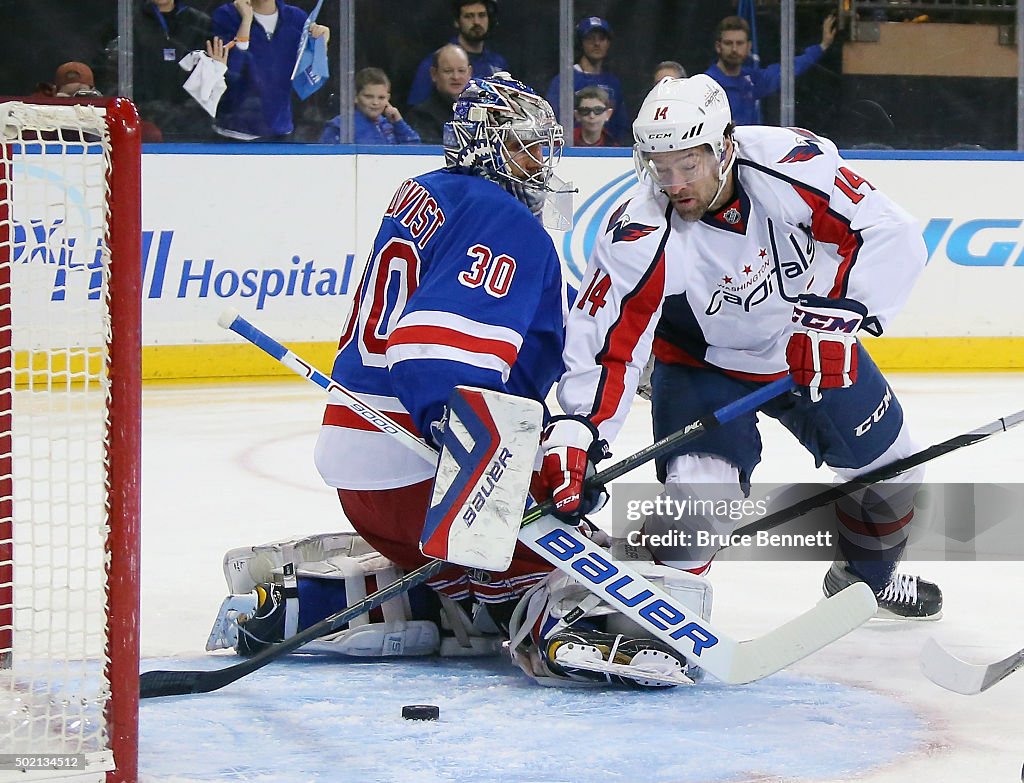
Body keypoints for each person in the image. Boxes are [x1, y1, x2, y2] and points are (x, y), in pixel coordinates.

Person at [210, 73, 705, 689]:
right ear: (487, 144)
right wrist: (492, 457)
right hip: (424, 474)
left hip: (362, 474)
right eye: (527, 145)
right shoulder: (506, 221)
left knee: (473, 583)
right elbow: (433, 353)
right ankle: (573, 621)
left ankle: (319, 601)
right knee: (570, 547)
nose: (540, 162)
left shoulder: (427, 193)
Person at [532, 74, 943, 623]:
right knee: (696, 508)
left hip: (805, 348)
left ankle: (863, 580)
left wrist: (841, 318)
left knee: (896, 473)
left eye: (688, 165)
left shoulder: (791, 165)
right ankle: (656, 607)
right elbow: (611, 341)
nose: (673, 183)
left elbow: (886, 231)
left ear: (724, 146)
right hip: (703, 367)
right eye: (661, 166)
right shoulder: (638, 231)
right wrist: (582, 427)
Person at [100, 0, 221, 142]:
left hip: (190, 127)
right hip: (143, 121)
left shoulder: (200, 23)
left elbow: (212, 80)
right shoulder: (126, 20)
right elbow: (108, 69)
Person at [211, 0, 330, 141]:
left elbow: (308, 77)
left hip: (281, 130)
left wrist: (321, 46)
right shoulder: (227, 15)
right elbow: (228, 73)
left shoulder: (297, 18)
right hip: (233, 131)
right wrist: (246, 22)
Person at [706, 13, 836, 126]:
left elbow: (790, 69)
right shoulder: (706, 85)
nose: (734, 49)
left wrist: (822, 46)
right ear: (718, 46)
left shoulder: (754, 80)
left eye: (739, 43)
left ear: (748, 46)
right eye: (728, 43)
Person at [406, 1, 507, 107]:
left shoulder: (498, 63)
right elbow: (417, 110)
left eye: (482, 15)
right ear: (457, 21)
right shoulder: (436, 61)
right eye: (469, 16)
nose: (476, 22)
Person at [545, 16, 628, 145]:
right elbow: (552, 122)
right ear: (580, 43)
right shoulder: (565, 80)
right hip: (572, 152)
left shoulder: (613, 83)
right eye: (590, 38)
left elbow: (621, 126)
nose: (597, 44)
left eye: (602, 38)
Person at [319, 67, 420, 144]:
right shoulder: (340, 126)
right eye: (369, 97)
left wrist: (398, 123)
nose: (375, 103)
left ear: (388, 99)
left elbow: (415, 151)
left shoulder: (390, 126)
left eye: (381, 98)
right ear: (355, 97)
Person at [406, 44, 472, 144]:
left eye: (461, 71)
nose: (456, 77)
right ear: (434, 74)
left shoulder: (482, 111)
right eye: (448, 71)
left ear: (470, 73)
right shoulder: (421, 116)